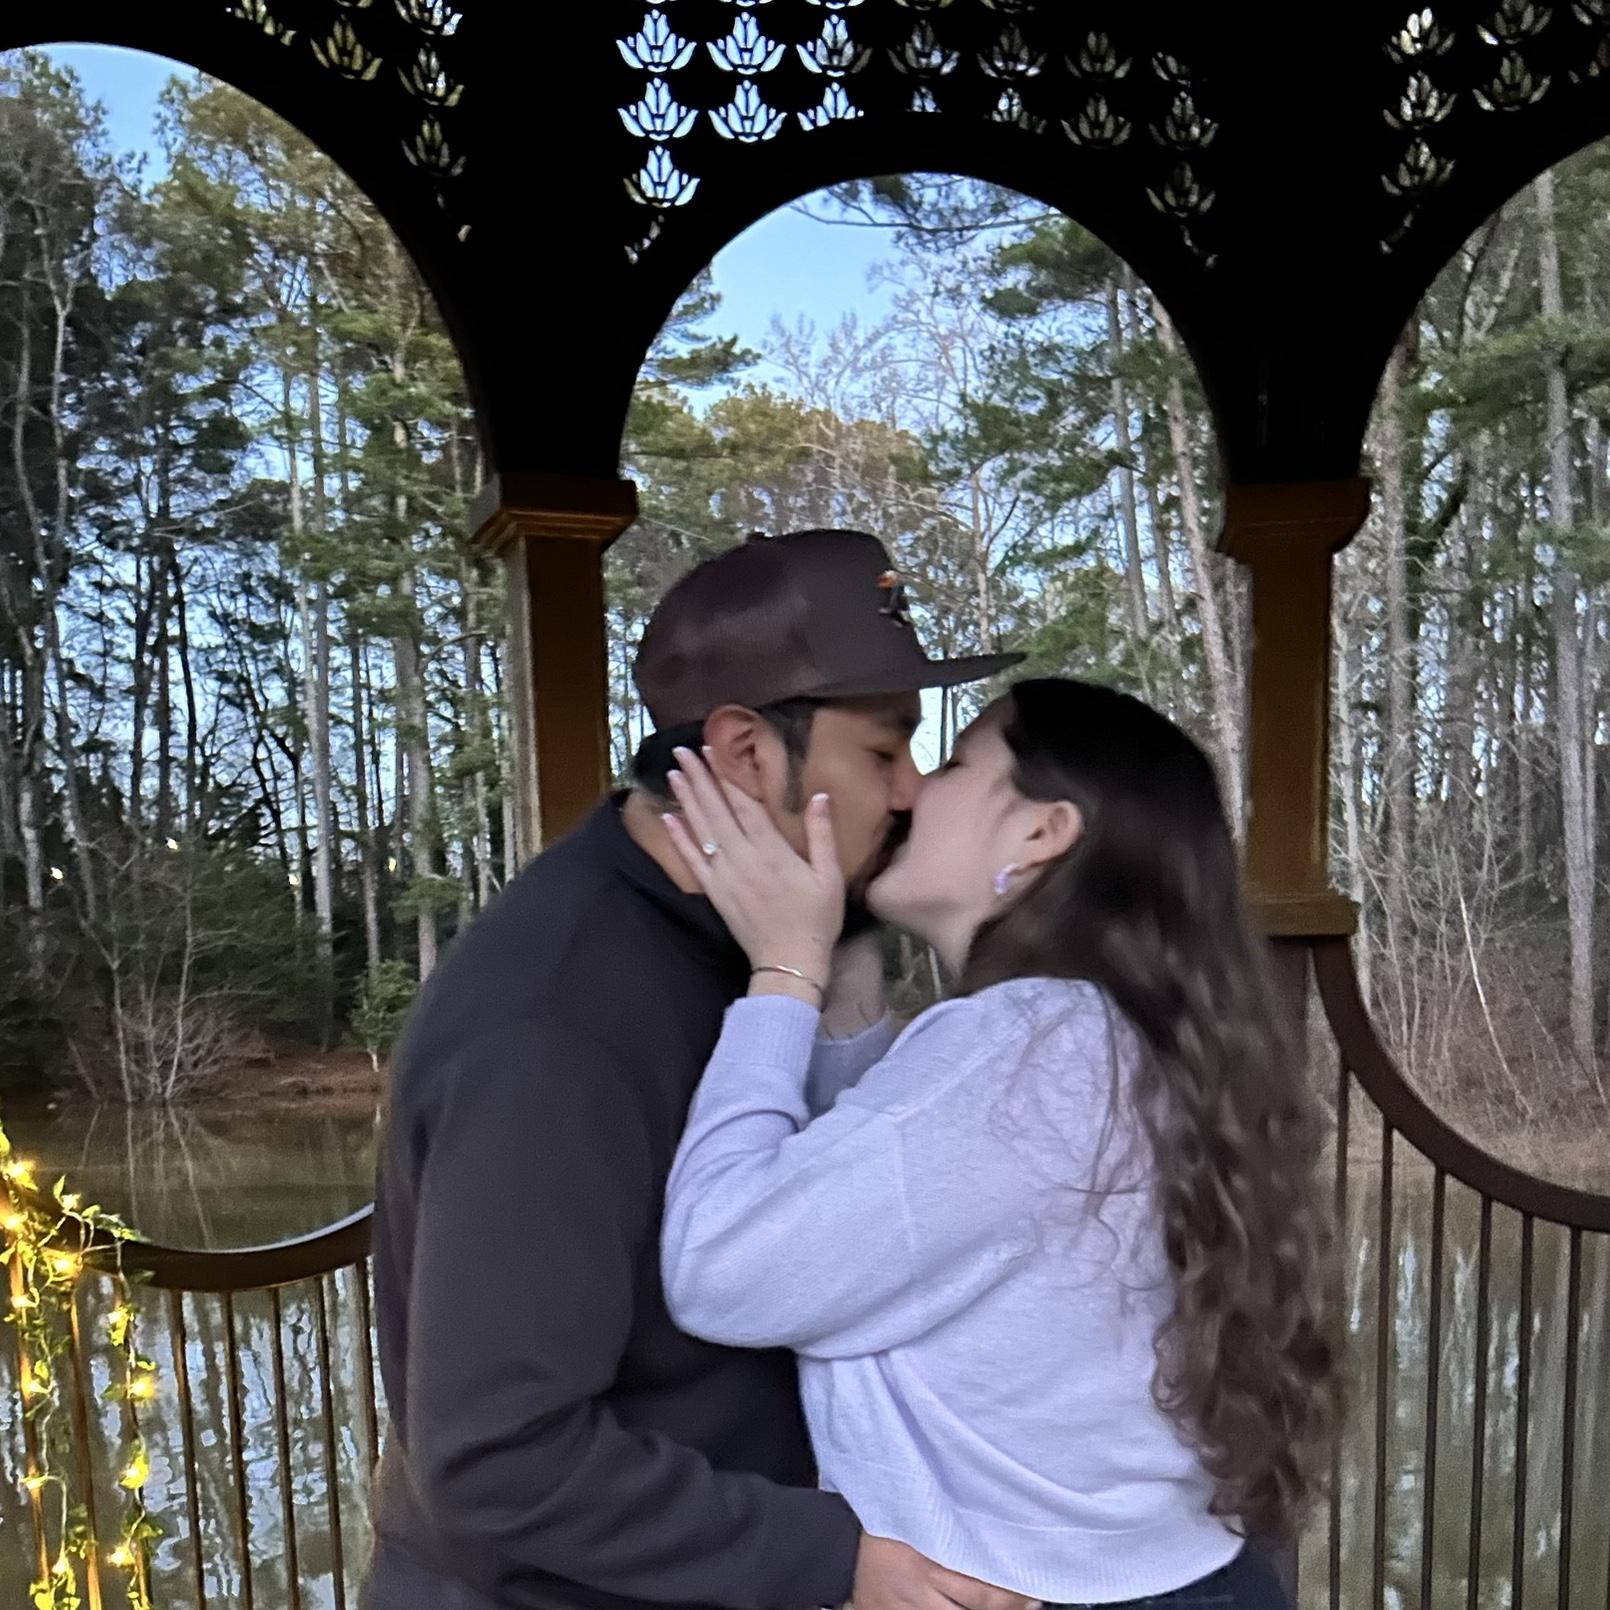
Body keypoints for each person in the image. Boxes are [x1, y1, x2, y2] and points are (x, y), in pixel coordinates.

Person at [362, 528, 1032, 1610]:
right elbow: (497, 1452)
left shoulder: (750, 945)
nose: (913, 791)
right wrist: (834, 1560)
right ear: (744, 753)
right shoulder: (555, 1020)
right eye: (885, 751)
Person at [657, 678, 1343, 1610]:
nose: (907, 789)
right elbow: (904, 1205)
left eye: (949, 764)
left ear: (1041, 832)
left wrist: (782, 972)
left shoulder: (1023, 1047)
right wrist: (845, 966)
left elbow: (720, 1265)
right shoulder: (1104, 1035)